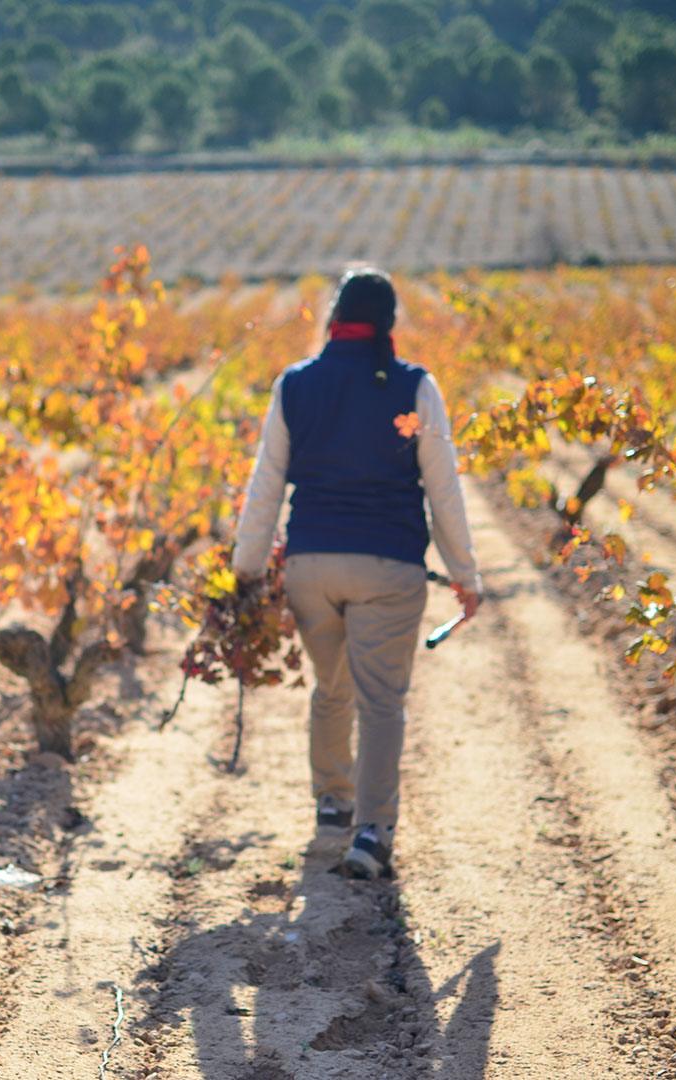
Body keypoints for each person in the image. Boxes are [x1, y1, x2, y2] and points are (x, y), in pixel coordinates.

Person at [231, 267, 482, 880]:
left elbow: (266, 484)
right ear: (389, 323)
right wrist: (465, 577)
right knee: (381, 703)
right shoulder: (415, 387)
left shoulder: (294, 384)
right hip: (388, 568)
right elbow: (443, 491)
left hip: (311, 566)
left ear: (333, 317)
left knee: (332, 687)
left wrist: (246, 568)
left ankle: (332, 803)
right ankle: (371, 834)